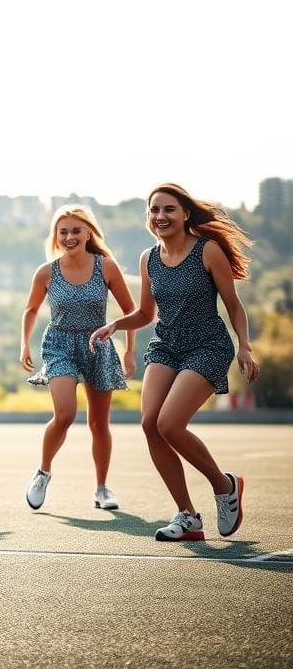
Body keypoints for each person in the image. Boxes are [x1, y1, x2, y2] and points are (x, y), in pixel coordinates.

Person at [90, 183, 258, 541]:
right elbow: (146, 313)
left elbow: (233, 303)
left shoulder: (207, 251)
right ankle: (188, 517)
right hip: (167, 343)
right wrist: (116, 325)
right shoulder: (148, 258)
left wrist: (244, 346)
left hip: (207, 344)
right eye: (154, 210)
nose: (160, 217)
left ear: (184, 214)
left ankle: (224, 485)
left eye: (168, 209)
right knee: (150, 424)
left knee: (169, 423)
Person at [20, 206, 136, 511]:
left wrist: (128, 350)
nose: (69, 237)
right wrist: (25, 346)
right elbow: (31, 310)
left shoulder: (107, 267)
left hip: (98, 344)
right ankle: (43, 471)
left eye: (75, 230)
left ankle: (102, 488)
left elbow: (130, 312)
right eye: (63, 232)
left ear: (88, 233)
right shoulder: (46, 272)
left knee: (99, 423)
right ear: (56, 237)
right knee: (66, 414)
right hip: (59, 343)